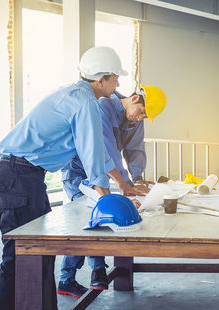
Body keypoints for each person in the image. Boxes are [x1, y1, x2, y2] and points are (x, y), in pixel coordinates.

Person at [0, 46, 133, 310]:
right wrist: (108, 199)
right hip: (17, 175)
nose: (119, 83)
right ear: (101, 79)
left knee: (41, 252)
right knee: (21, 254)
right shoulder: (84, 101)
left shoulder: (78, 96)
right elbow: (91, 153)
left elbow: (94, 150)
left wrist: (122, 184)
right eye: (115, 78)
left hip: (24, 175)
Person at [58, 85, 166, 297]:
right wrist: (124, 184)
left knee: (95, 217)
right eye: (142, 111)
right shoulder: (103, 106)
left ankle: (72, 278)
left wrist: (137, 179)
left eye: (146, 116)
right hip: (78, 170)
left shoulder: (135, 119)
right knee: (90, 218)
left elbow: (135, 150)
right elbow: (104, 148)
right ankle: (94, 271)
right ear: (135, 98)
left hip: (103, 171)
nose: (141, 117)